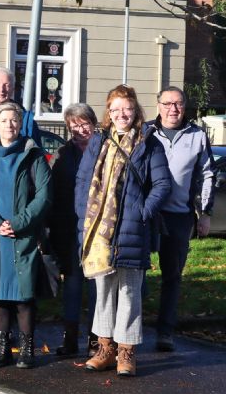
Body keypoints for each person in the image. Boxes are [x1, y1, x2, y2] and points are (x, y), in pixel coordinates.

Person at [76, 85, 170, 376]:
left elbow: (162, 185)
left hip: (132, 227)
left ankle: (126, 352)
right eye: (115, 109)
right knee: (103, 290)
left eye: (126, 109)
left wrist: (142, 212)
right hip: (99, 229)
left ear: (136, 111)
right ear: (108, 112)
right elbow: (83, 180)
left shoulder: (149, 143)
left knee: (129, 291)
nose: (121, 114)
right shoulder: (98, 141)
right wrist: (83, 215)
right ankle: (105, 349)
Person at [0, 102, 51, 369]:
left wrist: (19, 222)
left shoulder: (33, 155)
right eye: (4, 120)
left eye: (14, 120)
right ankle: (2, 347)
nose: (9, 125)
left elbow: (44, 195)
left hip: (23, 235)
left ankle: (27, 349)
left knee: (23, 295)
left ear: (20, 122)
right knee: (0, 295)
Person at [146, 86, 214, 352]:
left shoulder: (197, 135)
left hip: (179, 216)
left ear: (185, 106)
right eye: (167, 103)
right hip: (146, 214)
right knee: (135, 274)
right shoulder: (146, 132)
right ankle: (126, 333)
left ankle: (165, 332)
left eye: (178, 104)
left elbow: (206, 174)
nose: (173, 109)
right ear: (159, 105)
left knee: (172, 276)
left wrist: (204, 213)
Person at [48, 103, 99, 356]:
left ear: (93, 122)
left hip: (99, 230)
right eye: (74, 126)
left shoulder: (105, 149)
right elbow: (54, 193)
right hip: (70, 230)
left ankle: (95, 340)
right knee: (73, 286)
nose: (80, 129)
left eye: (84, 123)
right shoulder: (63, 154)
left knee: (97, 286)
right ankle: (69, 339)